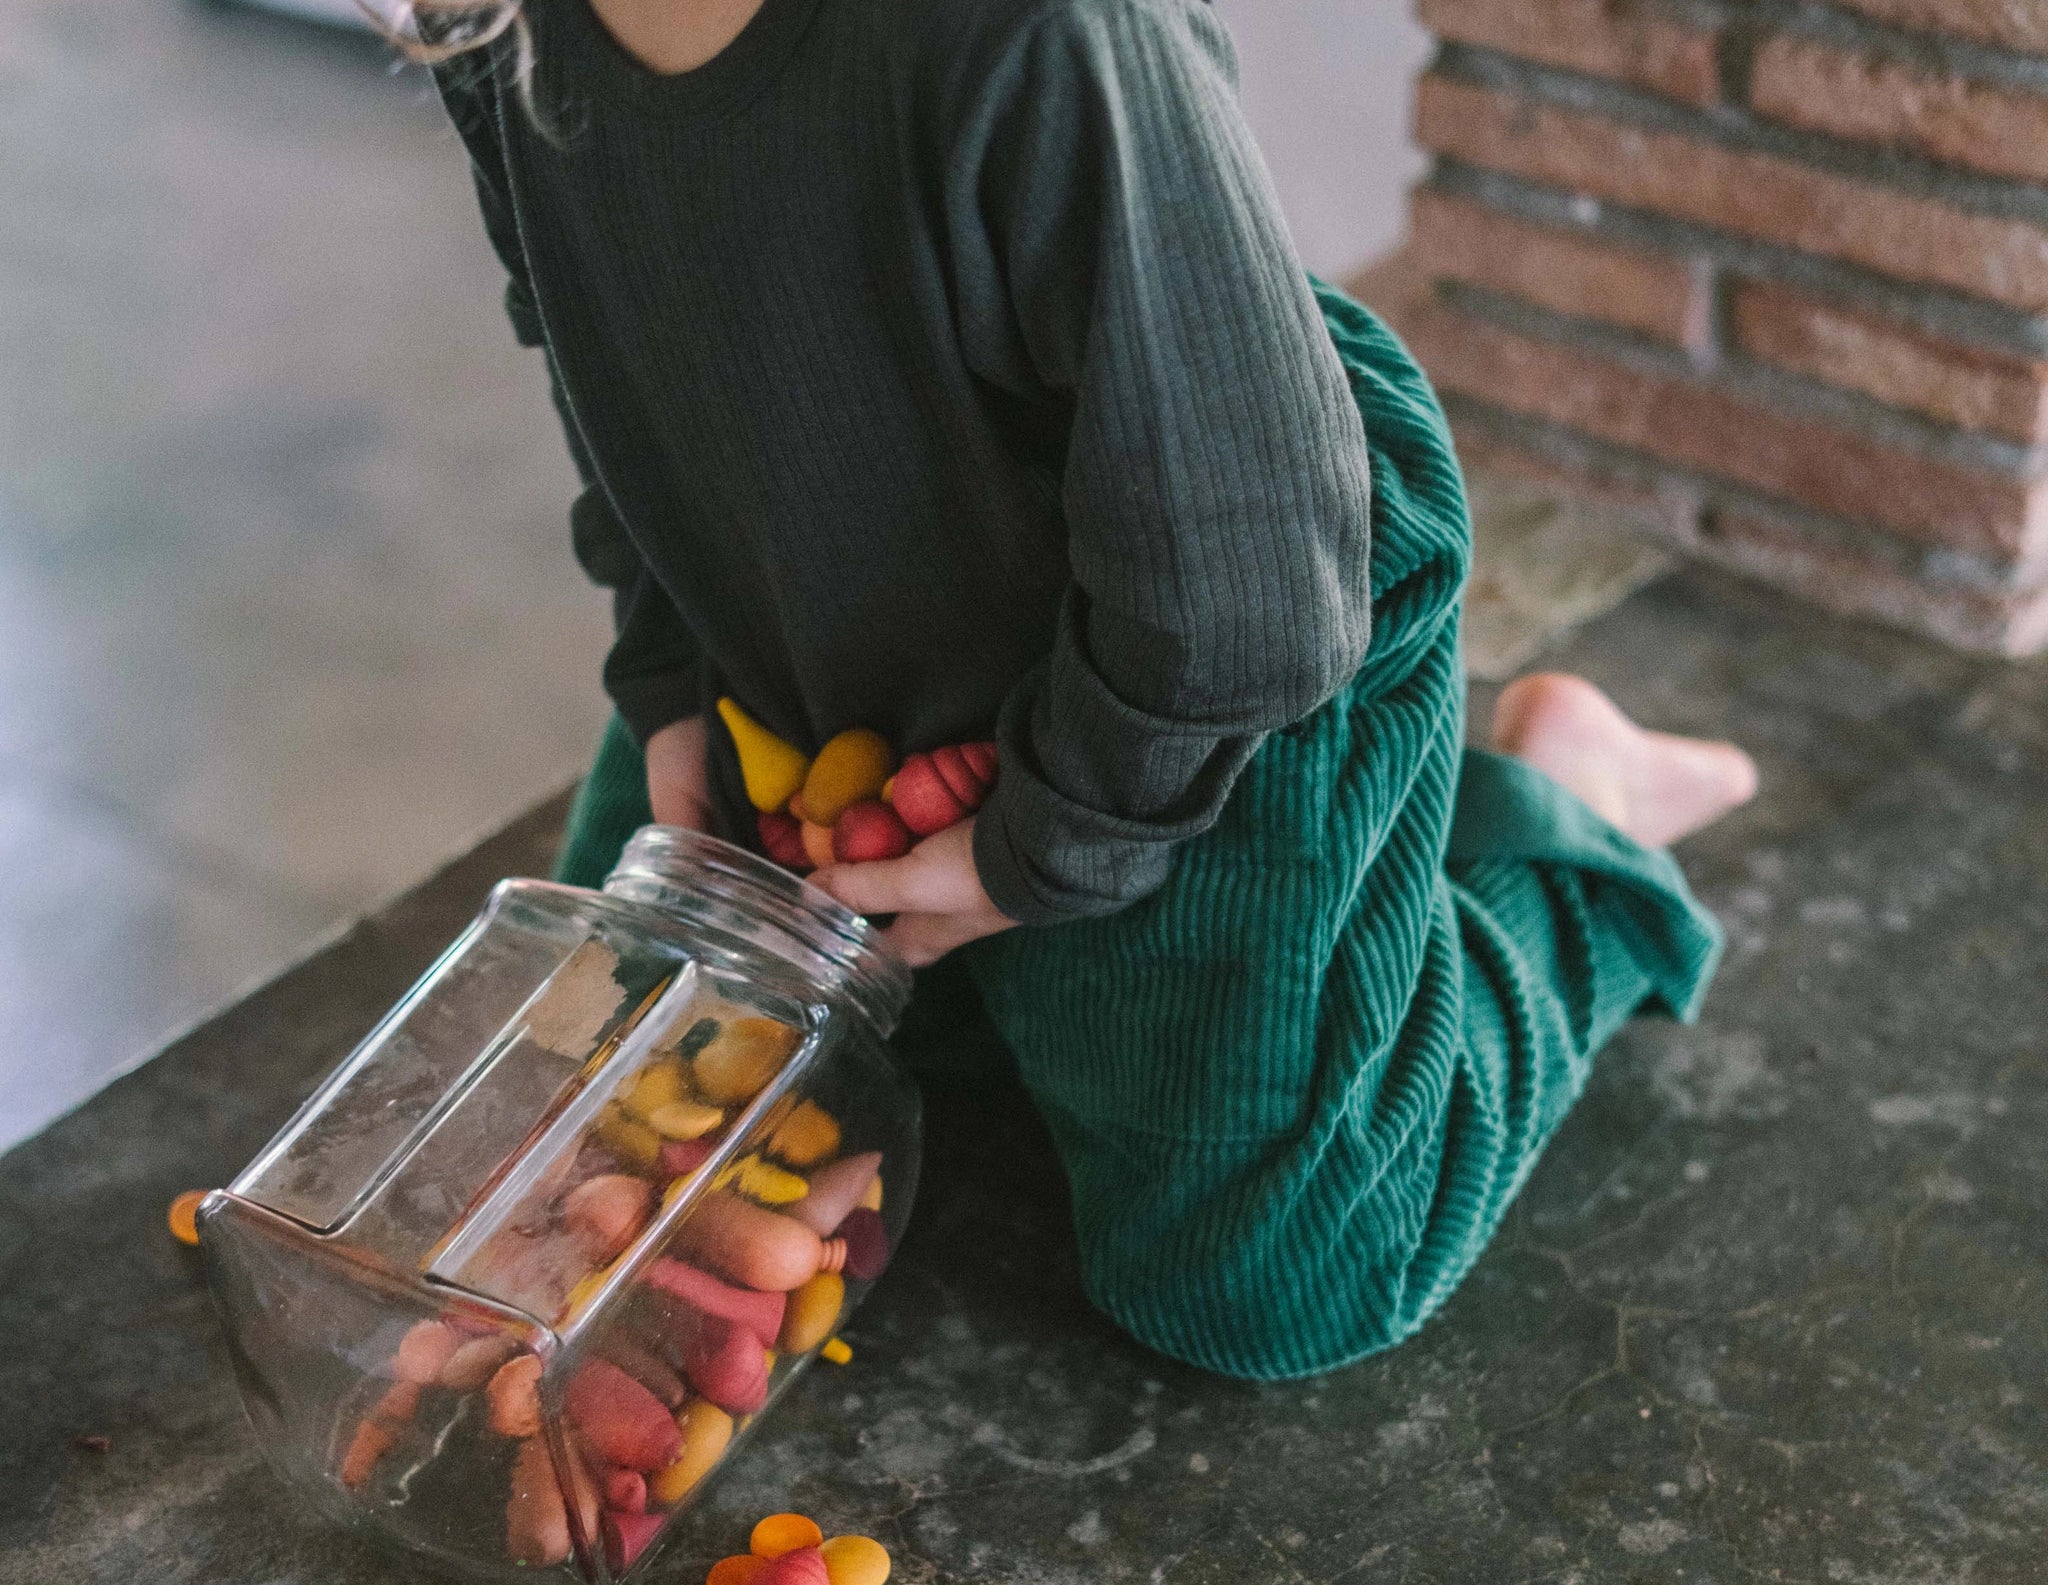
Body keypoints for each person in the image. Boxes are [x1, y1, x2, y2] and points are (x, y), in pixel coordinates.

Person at [409, 0, 1757, 1378]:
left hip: (1188, 653)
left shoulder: (1034, 34)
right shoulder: (492, 22)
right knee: (587, 1104)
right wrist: (671, 680)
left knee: (1274, 1286)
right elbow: (609, 374)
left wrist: (1041, 853)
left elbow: (1256, 575)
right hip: (833, 647)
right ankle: (1219, 936)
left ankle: (1575, 812)